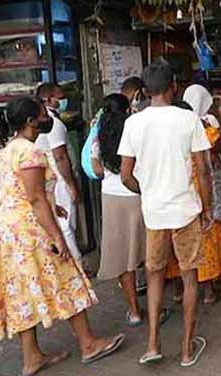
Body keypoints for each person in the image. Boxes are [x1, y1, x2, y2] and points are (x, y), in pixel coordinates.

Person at [0, 96, 124, 376]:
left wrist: (54, 204)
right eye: (42, 114)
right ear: (30, 122)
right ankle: (88, 344)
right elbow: (36, 199)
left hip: (7, 231)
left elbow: (23, 191)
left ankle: (32, 358)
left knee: (20, 291)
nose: (47, 117)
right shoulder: (31, 152)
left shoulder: (7, 149)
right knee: (67, 278)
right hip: (31, 229)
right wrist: (57, 237)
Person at [118, 60, 212, 366]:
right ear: (173, 86)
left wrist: (147, 192)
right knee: (189, 278)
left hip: (154, 212)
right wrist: (208, 208)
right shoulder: (188, 120)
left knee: (155, 275)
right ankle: (186, 350)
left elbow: (126, 175)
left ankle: (153, 344)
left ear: (145, 91)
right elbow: (204, 170)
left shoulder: (133, 123)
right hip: (185, 209)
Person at [90, 94, 165, 327]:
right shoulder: (134, 131)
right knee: (149, 254)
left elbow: (96, 169)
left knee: (124, 259)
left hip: (111, 198)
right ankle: (156, 309)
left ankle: (134, 311)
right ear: (126, 110)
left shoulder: (98, 137)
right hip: (137, 194)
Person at [165, 84, 221, 305]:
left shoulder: (168, 131)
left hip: (175, 190)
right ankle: (209, 291)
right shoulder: (204, 129)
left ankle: (178, 289)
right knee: (206, 236)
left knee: (178, 242)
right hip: (200, 189)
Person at [36, 83, 82, 261]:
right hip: (59, 180)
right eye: (60, 97)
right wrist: (71, 184)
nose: (63, 101)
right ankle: (75, 261)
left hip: (52, 179)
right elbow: (60, 157)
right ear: (48, 99)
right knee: (66, 224)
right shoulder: (53, 124)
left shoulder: (48, 122)